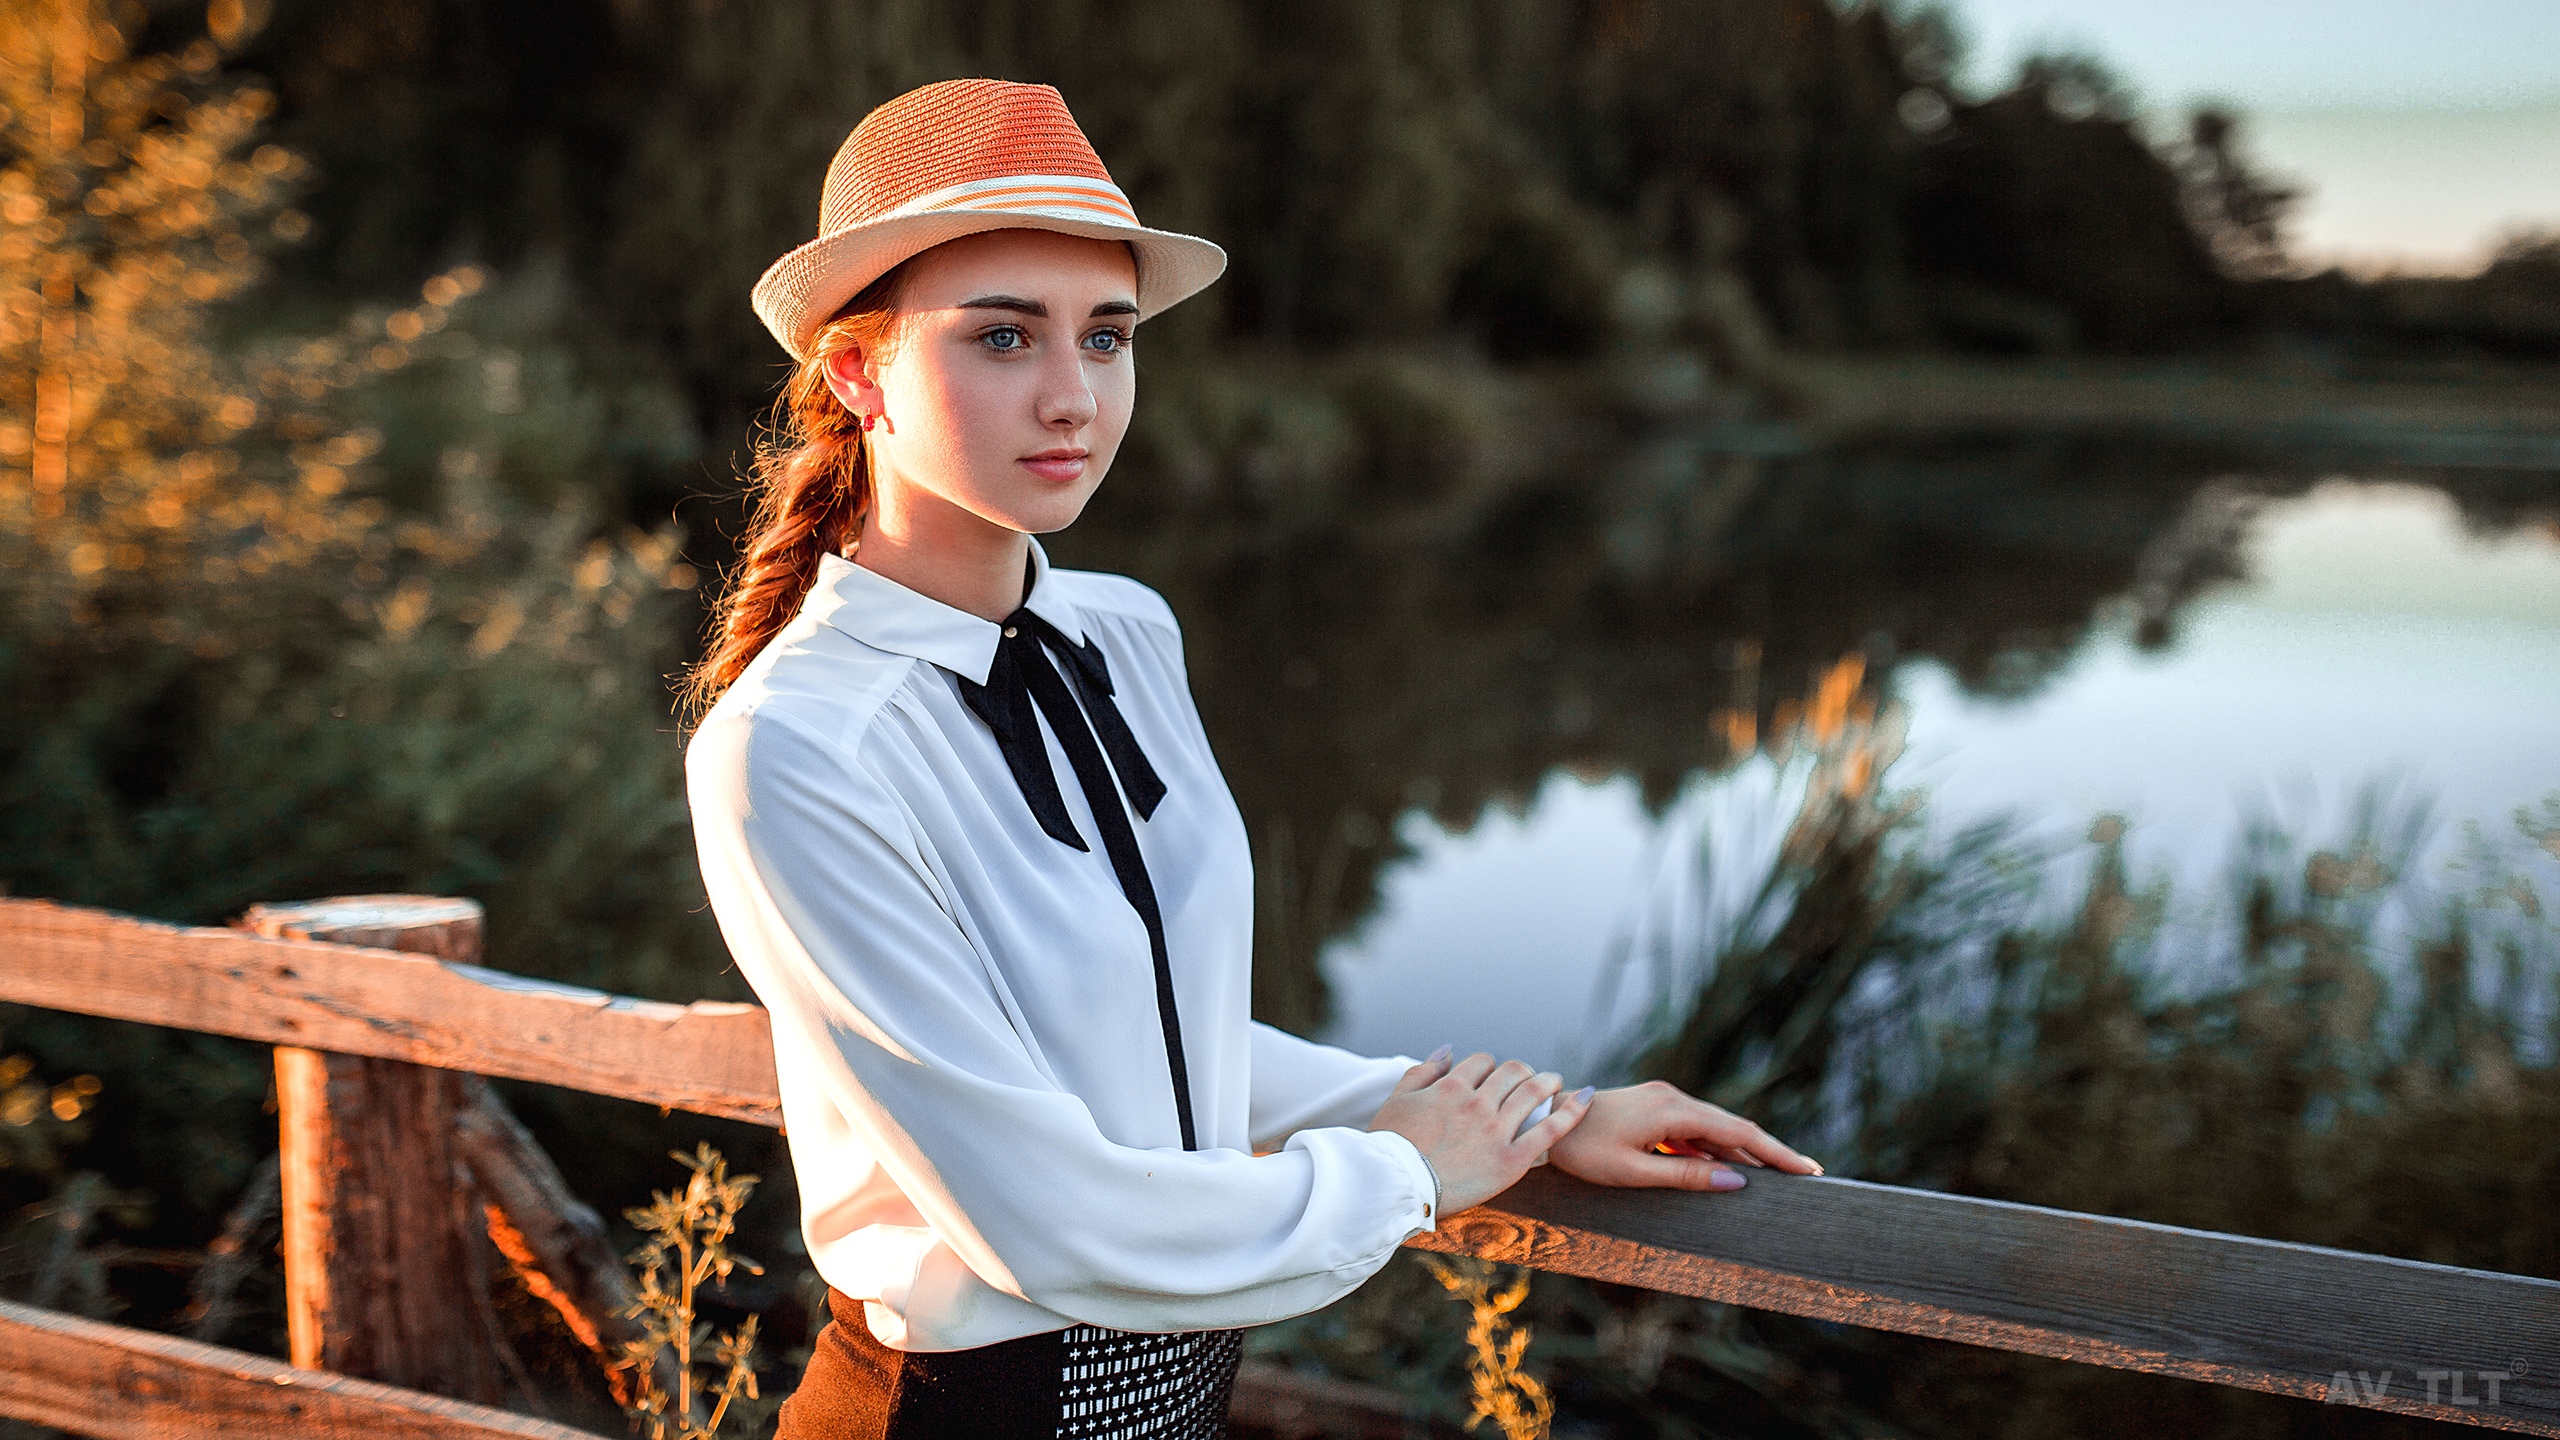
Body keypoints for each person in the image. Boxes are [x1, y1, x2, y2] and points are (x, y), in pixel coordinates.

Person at [682, 79, 1820, 1440]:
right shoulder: (794, 747)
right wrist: (1405, 1171)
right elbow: (1049, 1224)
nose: (1072, 395)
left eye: (1106, 338)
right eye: (1002, 338)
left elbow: (1169, 1044)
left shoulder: (1128, 634)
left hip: (1177, 1408)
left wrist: (1527, 1121)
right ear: (858, 373)